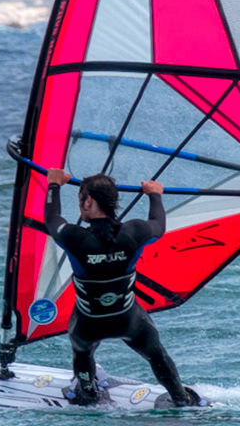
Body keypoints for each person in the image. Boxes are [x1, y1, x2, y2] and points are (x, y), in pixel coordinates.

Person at [43, 167, 198, 408]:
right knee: (156, 354)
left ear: (88, 201)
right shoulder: (135, 232)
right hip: (129, 321)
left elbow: (52, 219)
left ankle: (88, 393)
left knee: (82, 352)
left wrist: (54, 185)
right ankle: (181, 397)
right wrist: (154, 194)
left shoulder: (73, 237)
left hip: (88, 324)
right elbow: (158, 224)